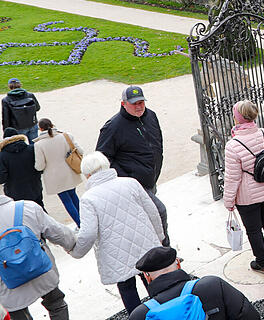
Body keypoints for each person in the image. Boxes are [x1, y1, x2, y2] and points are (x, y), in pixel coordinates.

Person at [70, 152, 165, 314]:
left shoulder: (88, 199)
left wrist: (76, 251)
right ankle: (165, 312)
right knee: (152, 280)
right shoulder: (130, 183)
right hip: (143, 243)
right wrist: (159, 237)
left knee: (127, 288)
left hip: (115, 253)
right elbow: (152, 212)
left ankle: (138, 316)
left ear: (87, 174)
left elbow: (88, 234)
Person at [96, 85, 169, 245]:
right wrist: (127, 178)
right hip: (133, 184)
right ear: (123, 104)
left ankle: (155, 254)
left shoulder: (151, 116)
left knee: (148, 220)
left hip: (151, 178)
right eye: (134, 103)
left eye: (141, 102)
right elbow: (102, 158)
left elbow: (157, 142)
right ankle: (166, 252)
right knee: (159, 212)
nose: (139, 106)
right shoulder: (113, 127)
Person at [222, 100, 264, 275]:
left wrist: (229, 201)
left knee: (254, 229)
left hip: (248, 196)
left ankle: (262, 263)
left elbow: (232, 178)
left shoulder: (233, 146)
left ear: (238, 117)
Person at [0, 191, 76, 320]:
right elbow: (59, 233)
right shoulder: (27, 208)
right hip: (41, 271)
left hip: (8, 283)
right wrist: (72, 245)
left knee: (18, 314)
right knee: (56, 304)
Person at [128, 246, 260, 320]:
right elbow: (250, 316)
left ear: (147, 276)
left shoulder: (140, 315)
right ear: (178, 264)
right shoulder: (212, 285)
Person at [33, 119, 84, 226]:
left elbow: (40, 166)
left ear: (40, 128)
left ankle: (80, 224)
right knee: (74, 196)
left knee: (67, 201)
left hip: (54, 178)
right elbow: (81, 151)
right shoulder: (66, 136)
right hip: (70, 172)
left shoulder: (38, 144)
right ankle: (85, 221)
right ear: (52, 125)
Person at [0, 128, 43, 207]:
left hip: (15, 192)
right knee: (40, 211)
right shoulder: (31, 149)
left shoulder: (2, 156)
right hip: (34, 188)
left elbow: (2, 178)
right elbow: (40, 167)